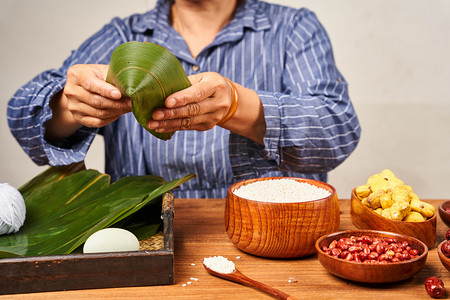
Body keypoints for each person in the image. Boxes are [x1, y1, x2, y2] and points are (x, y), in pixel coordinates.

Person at [7, 0, 361, 198]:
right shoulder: (125, 36)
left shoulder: (294, 29)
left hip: (276, 240)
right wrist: (70, 105)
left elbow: (338, 130)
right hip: (150, 238)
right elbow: (21, 114)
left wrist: (237, 104)